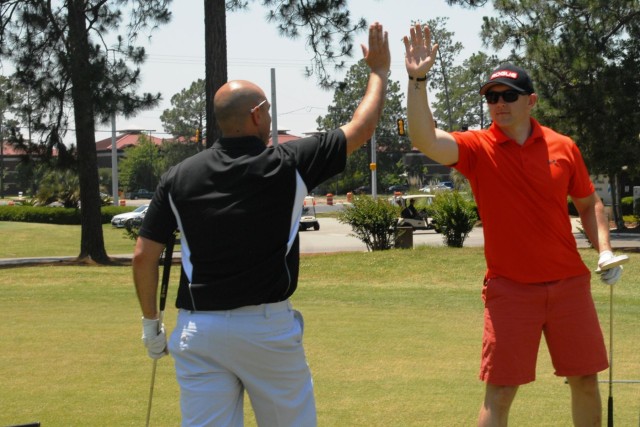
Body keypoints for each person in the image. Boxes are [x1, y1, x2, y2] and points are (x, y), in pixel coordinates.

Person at [132, 22, 389, 427]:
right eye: (267, 108)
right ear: (255, 115)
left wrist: (151, 326)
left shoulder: (178, 175)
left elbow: (143, 256)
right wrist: (378, 72)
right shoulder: (288, 163)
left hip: (200, 330)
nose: (269, 115)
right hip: (266, 329)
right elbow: (361, 128)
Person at [403, 22, 623, 427]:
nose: (498, 103)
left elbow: (590, 203)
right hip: (510, 289)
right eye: (490, 97)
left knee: (586, 381)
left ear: (531, 101)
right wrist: (418, 79)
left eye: (508, 96)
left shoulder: (563, 146)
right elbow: (424, 138)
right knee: (501, 392)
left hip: (569, 285)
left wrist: (605, 249)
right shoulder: (475, 147)